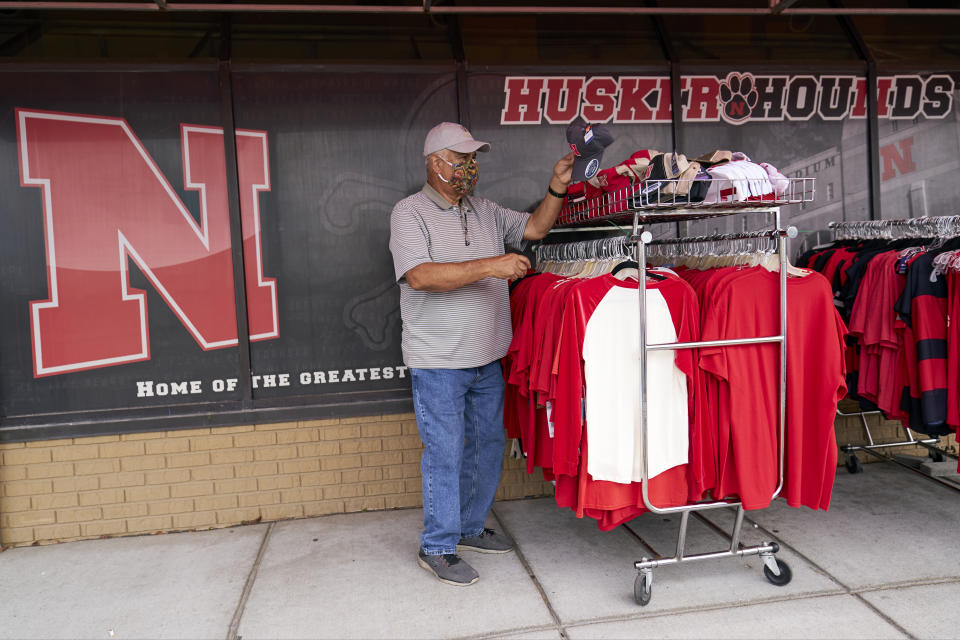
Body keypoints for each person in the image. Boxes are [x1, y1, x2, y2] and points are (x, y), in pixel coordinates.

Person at [389, 122, 573, 586]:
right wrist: (493, 265)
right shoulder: (408, 214)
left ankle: (469, 528)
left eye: (474, 159)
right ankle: (438, 546)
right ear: (435, 163)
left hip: (487, 357)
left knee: (486, 447)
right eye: (461, 159)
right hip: (439, 361)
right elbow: (421, 277)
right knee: (445, 453)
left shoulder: (485, 209)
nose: (470, 168)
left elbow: (534, 227)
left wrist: (557, 185)